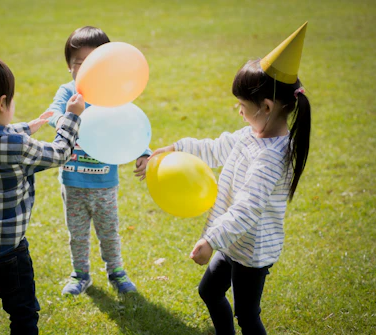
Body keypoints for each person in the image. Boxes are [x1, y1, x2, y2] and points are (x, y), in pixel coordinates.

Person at [149, 22, 310, 334]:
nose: (238, 111)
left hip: (251, 251)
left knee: (247, 316)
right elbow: (216, 147)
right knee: (209, 291)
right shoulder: (252, 133)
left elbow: (247, 208)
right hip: (231, 240)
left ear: (266, 107)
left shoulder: (271, 157)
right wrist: (178, 148)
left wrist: (211, 239)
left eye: (242, 105)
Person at [0, 46, 85, 334]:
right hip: (7, 252)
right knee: (23, 311)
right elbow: (60, 152)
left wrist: (29, 126)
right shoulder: (17, 147)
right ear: (3, 103)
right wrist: (72, 117)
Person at [45, 26, 150, 296]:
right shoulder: (68, 92)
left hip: (104, 183)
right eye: (78, 63)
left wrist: (143, 152)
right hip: (73, 181)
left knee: (109, 233)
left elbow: (130, 127)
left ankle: (116, 271)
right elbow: (52, 114)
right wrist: (68, 117)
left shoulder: (112, 96)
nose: (84, 69)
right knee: (77, 235)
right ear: (69, 66)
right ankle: (80, 274)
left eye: (91, 62)